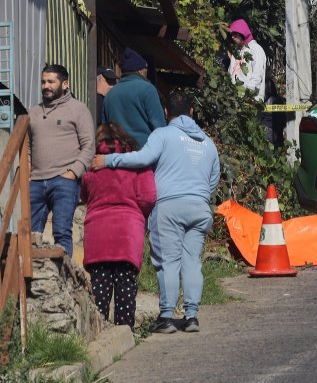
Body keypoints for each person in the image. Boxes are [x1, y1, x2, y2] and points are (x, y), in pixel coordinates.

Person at [91, 91, 220, 334]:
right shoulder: (208, 142)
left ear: (165, 112)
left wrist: (108, 161)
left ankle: (167, 317)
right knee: (192, 261)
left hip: (169, 207)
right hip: (200, 207)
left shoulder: (162, 134)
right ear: (192, 112)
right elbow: (213, 181)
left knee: (168, 262)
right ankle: (192, 316)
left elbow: (143, 158)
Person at [81, 123, 156, 328]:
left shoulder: (92, 165)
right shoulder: (137, 164)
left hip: (98, 232)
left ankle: (100, 332)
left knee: (100, 290)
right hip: (127, 232)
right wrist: (136, 215)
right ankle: (125, 332)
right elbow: (148, 198)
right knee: (125, 289)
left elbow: (84, 194)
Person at [28, 64, 95, 257]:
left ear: (65, 84)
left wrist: (72, 173)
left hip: (63, 180)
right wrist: (27, 172)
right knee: (32, 234)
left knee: (62, 231)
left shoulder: (78, 109)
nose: (46, 86)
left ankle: (63, 280)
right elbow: (27, 147)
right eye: (43, 82)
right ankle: (37, 281)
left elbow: (89, 145)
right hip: (36, 181)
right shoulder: (33, 112)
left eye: (51, 82)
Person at [101, 48, 166, 147]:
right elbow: (159, 126)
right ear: (140, 70)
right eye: (146, 69)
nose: (147, 72)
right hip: (143, 154)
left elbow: (105, 129)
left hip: (117, 155)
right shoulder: (148, 90)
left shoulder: (110, 94)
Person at [227, 19, 267, 102]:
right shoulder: (237, 53)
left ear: (242, 32)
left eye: (235, 33)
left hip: (250, 100)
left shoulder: (256, 49)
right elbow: (230, 74)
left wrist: (247, 95)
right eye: (231, 34)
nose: (232, 37)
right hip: (234, 100)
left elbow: (257, 75)